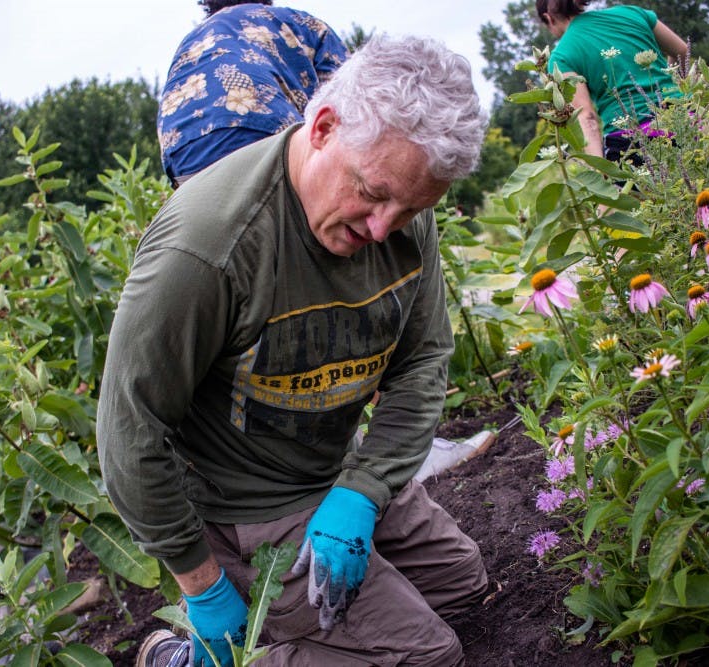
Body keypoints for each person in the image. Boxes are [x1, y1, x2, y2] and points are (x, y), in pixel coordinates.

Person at [97, 33, 490, 667]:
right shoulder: (207, 246)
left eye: (412, 207)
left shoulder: (402, 212)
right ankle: (195, 659)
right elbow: (127, 430)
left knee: (463, 589)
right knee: (427, 658)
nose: (383, 228)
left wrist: (364, 490)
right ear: (325, 127)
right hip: (244, 509)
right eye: (373, 192)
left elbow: (423, 362)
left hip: (331, 473)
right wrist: (202, 584)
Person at [157, 0, 348, 186]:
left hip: (183, 153)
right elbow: (350, 104)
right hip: (258, 127)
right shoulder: (300, 22)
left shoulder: (193, 39)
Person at [537, 0, 688, 163]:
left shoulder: (561, 57)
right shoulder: (633, 13)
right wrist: (672, 88)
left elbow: (586, 117)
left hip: (631, 142)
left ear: (549, 18)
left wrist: (598, 170)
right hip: (686, 121)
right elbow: (682, 51)